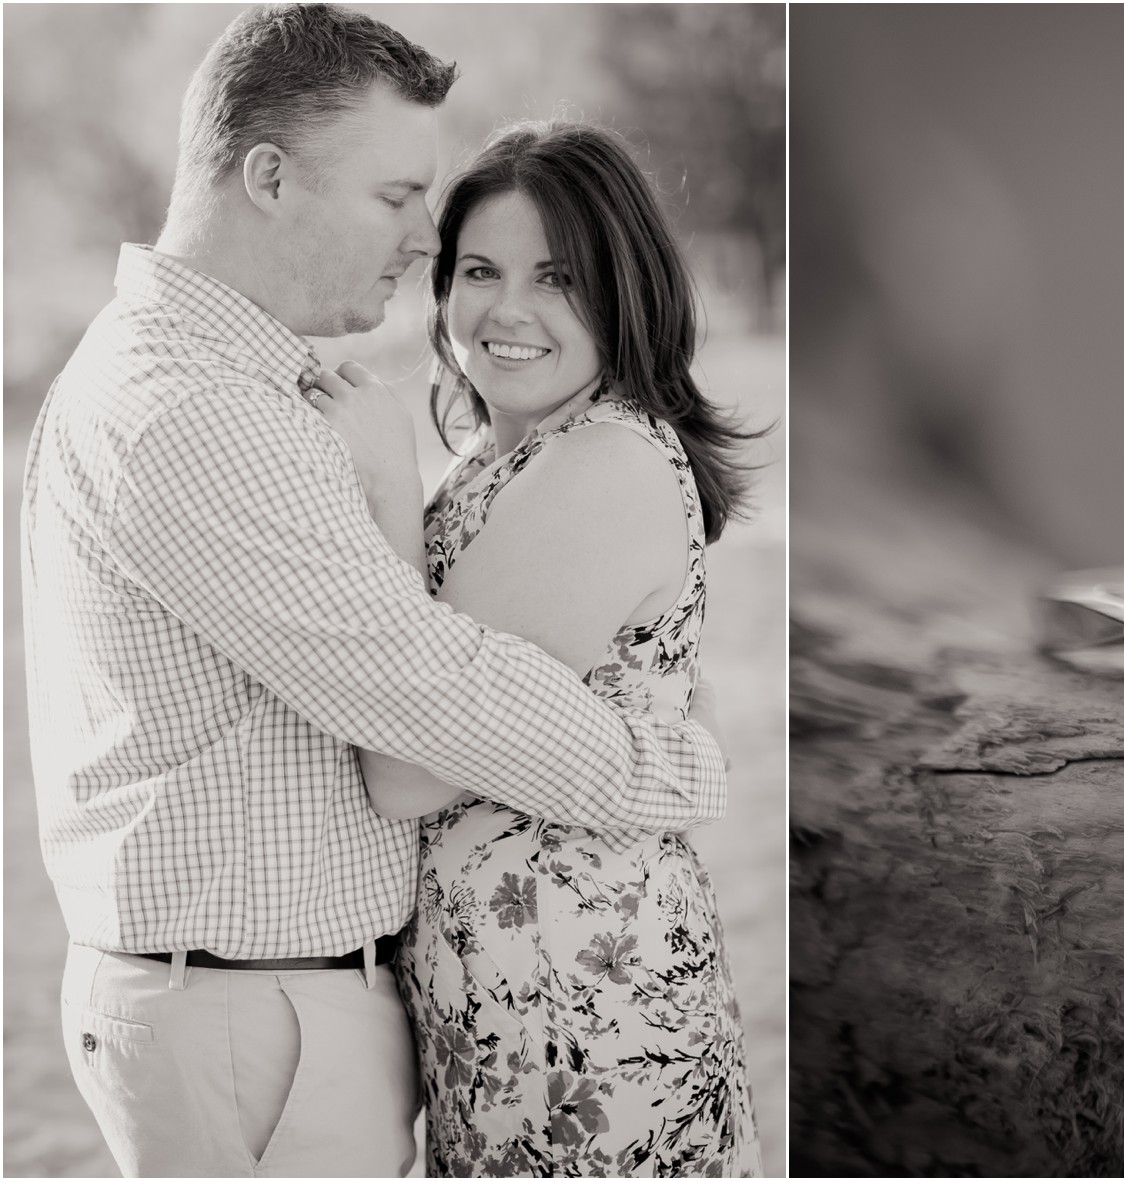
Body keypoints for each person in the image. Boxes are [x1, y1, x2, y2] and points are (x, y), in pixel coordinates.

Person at [19, 6, 729, 1177]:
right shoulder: (198, 410)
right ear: (268, 176)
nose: (416, 242)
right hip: (251, 1013)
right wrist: (661, 762)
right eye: (400, 199)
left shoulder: (219, 379)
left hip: (337, 1004)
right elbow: (421, 685)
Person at [312, 120, 763, 1177]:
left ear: (623, 290)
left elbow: (408, 765)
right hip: (502, 994)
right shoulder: (498, 453)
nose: (506, 310)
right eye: (478, 270)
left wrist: (385, 486)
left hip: (584, 1011)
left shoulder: (602, 461)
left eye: (556, 277)